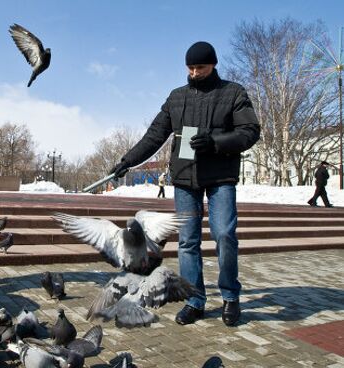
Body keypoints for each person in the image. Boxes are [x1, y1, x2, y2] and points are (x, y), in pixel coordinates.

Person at [109, 41, 260, 327]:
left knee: (224, 234)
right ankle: (195, 301)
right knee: (188, 242)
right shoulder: (177, 97)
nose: (194, 72)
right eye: (189, 67)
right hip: (185, 179)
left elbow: (250, 131)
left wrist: (215, 142)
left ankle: (230, 296)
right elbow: (155, 134)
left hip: (220, 176)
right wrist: (128, 160)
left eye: (200, 67)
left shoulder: (233, 92)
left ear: (213, 64)